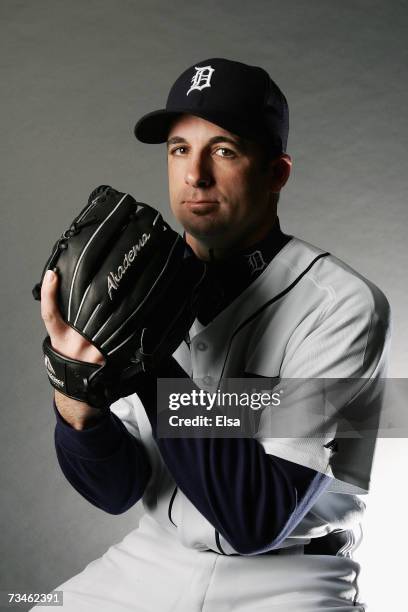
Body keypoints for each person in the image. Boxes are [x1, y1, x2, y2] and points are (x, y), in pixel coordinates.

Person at [33, 58, 391, 611]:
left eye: (223, 150)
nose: (195, 173)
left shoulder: (341, 306)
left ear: (276, 173)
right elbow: (118, 490)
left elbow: (258, 517)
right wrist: (76, 400)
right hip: (157, 557)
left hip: (289, 579)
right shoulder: (146, 281)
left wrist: (148, 360)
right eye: (179, 149)